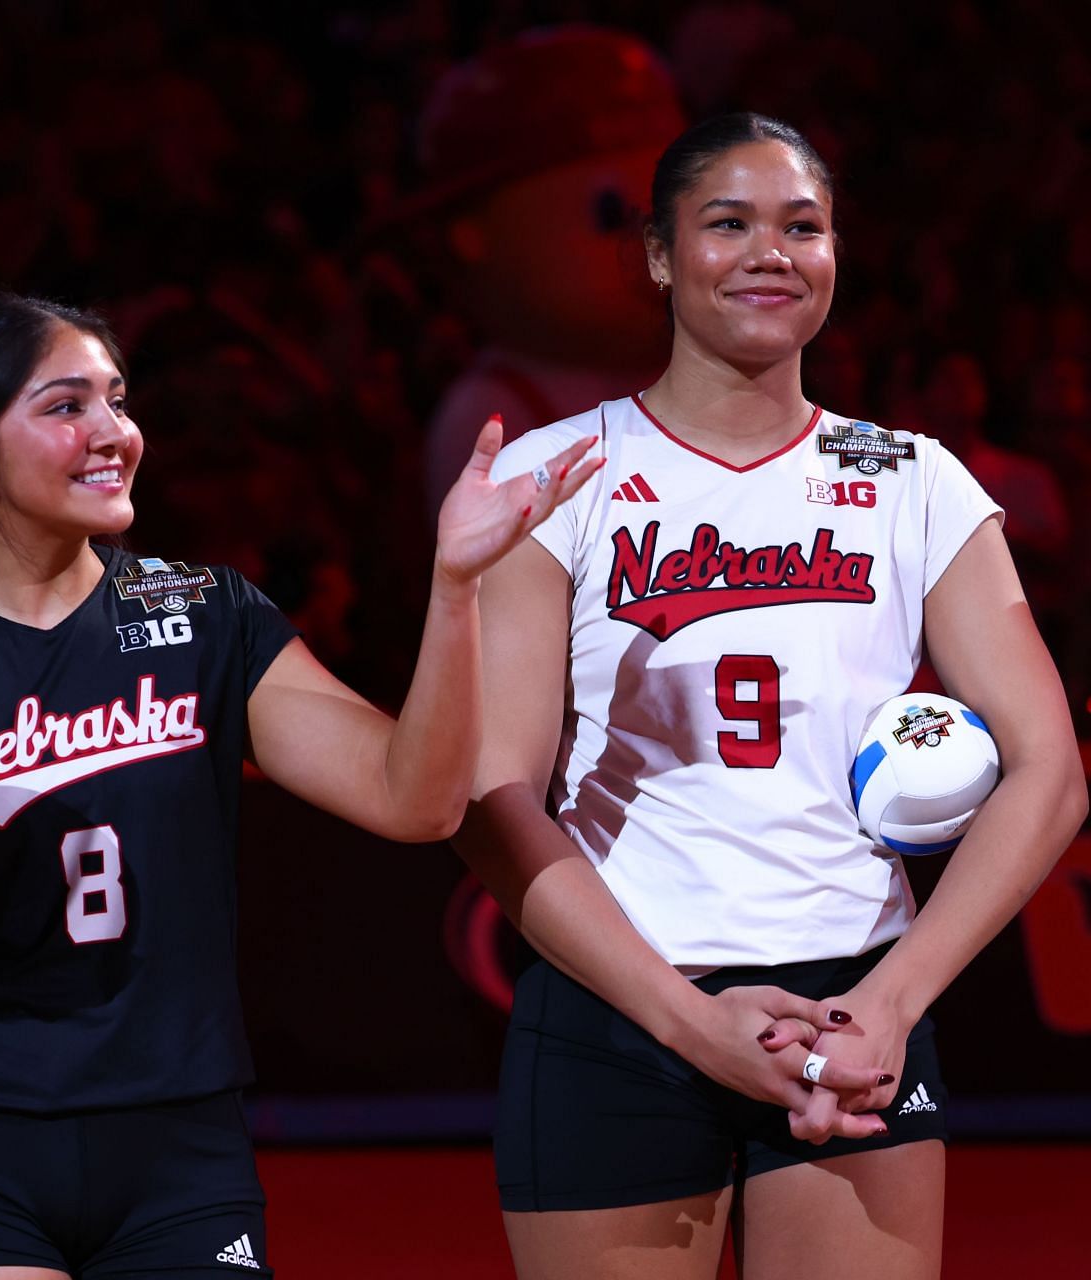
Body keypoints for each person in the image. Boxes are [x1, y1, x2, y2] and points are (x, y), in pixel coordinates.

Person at [0, 293, 599, 1280]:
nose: (114, 433)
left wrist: (455, 588)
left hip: (179, 1151)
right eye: (67, 407)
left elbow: (416, 799)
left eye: (116, 399)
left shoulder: (202, 612)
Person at [460, 113, 1086, 1279]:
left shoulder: (910, 476)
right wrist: (690, 1023)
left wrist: (892, 1002)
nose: (771, 252)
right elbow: (491, 796)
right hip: (621, 1006)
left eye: (804, 226)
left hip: (855, 1008)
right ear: (657, 255)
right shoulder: (556, 473)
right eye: (728, 223)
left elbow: (1049, 768)